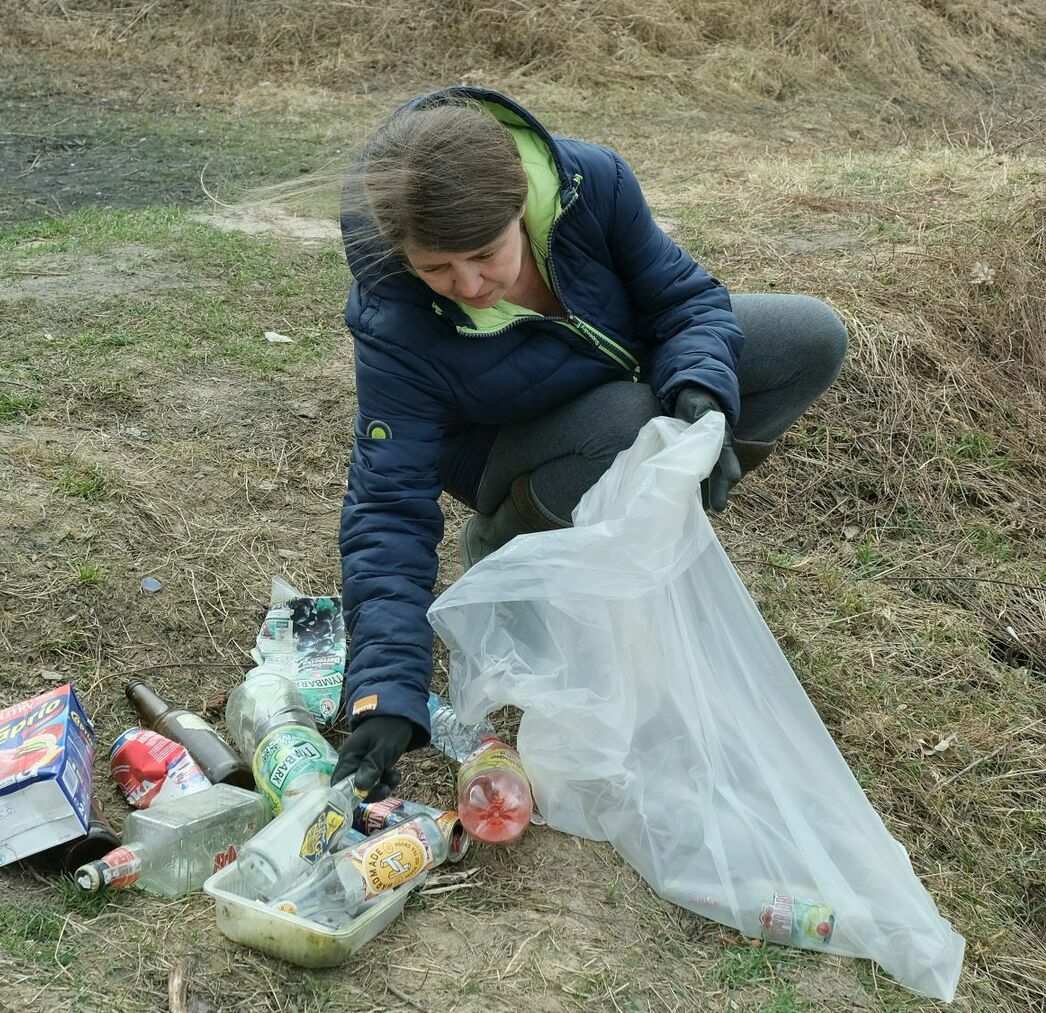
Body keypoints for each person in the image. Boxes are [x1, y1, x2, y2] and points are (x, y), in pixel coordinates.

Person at [329, 87, 847, 797]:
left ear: (522, 206)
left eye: (486, 254)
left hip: (616, 382)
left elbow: (683, 300)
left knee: (809, 338)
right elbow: (388, 504)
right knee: (626, 420)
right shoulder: (394, 316)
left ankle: (643, 519)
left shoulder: (592, 184)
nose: (470, 285)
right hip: (502, 445)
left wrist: (701, 393)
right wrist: (387, 695)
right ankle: (511, 538)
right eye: (438, 268)